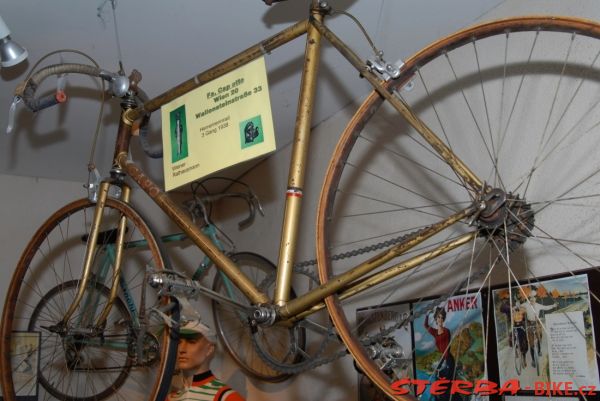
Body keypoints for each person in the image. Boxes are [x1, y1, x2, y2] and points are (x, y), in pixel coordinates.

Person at [167, 319, 245, 401]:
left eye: (191, 342)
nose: (181, 349)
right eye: (178, 342)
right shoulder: (171, 398)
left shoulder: (227, 398)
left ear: (209, 349)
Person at [521, 292, 557, 368]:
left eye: (533, 298)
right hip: (530, 324)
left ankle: (539, 350)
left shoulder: (538, 305)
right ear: (529, 299)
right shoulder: (526, 304)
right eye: (530, 298)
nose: (532, 299)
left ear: (535, 298)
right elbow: (519, 307)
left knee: (539, 337)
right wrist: (515, 307)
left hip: (537, 323)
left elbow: (546, 307)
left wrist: (553, 305)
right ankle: (533, 360)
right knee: (531, 342)